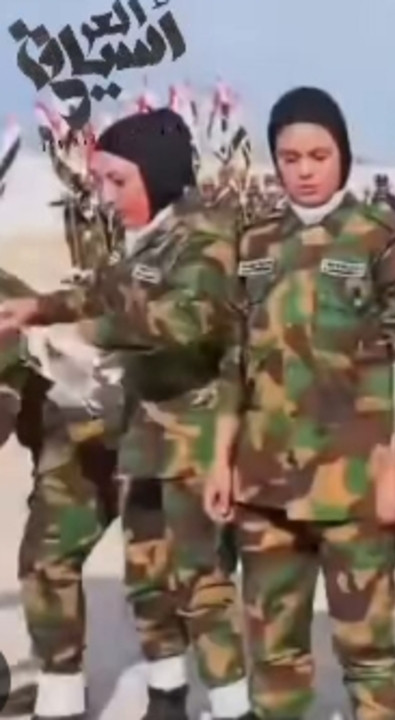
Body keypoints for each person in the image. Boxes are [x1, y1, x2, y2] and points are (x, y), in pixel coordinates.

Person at [0, 109, 253, 720]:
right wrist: (38, 308)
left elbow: (188, 320)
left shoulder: (207, 237)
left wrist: (87, 334)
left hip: (196, 439)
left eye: (118, 181)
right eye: (102, 182)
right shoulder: (150, 238)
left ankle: (233, 707)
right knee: (148, 578)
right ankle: (167, 696)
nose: (107, 197)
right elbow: (104, 290)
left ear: (156, 175)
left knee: (200, 583)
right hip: (146, 435)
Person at [201, 86, 395, 720]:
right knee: (274, 651)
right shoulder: (254, 244)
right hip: (264, 483)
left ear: (343, 156)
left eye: (319, 156)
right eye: (290, 157)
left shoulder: (380, 240)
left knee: (367, 649)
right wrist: (219, 458)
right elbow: (233, 361)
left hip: (352, 485)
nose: (304, 170)